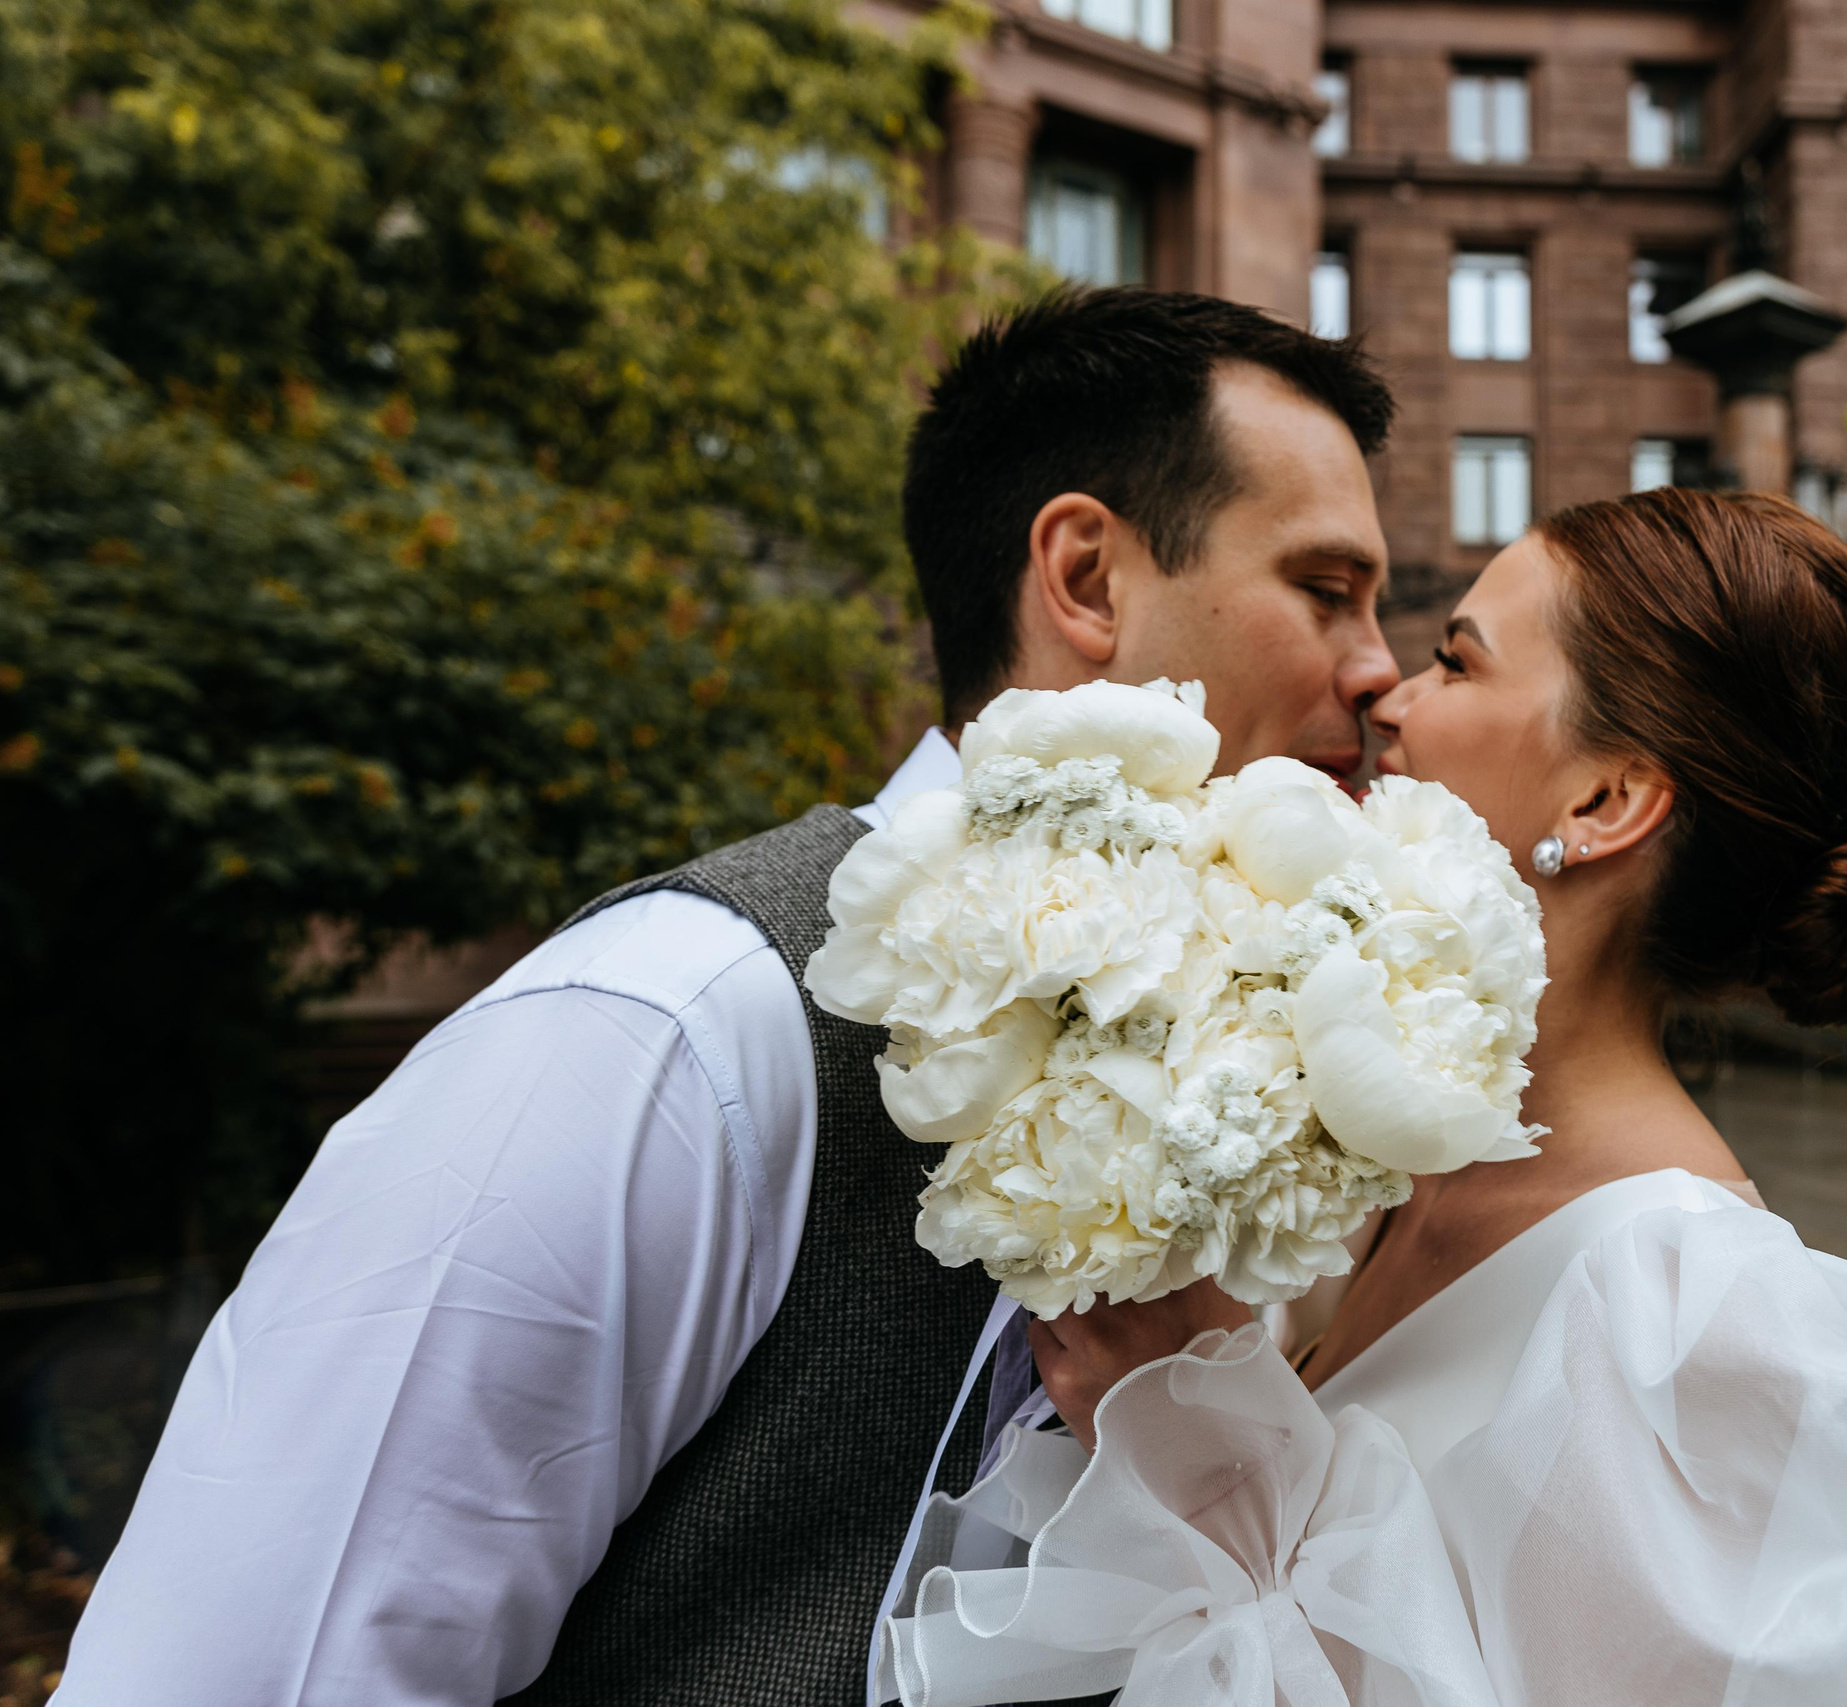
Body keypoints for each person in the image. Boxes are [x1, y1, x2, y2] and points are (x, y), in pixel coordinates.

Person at [54, 288, 1402, 1707]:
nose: (1379, 670)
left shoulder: (1249, 1080)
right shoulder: (666, 1036)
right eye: (1326, 589)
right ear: (1084, 576)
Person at [880, 488, 1847, 1707]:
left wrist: (1206, 1447)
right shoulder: (1348, 1155)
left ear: (1606, 803)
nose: (1389, 697)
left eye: (1456, 661)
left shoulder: (1701, 1328)